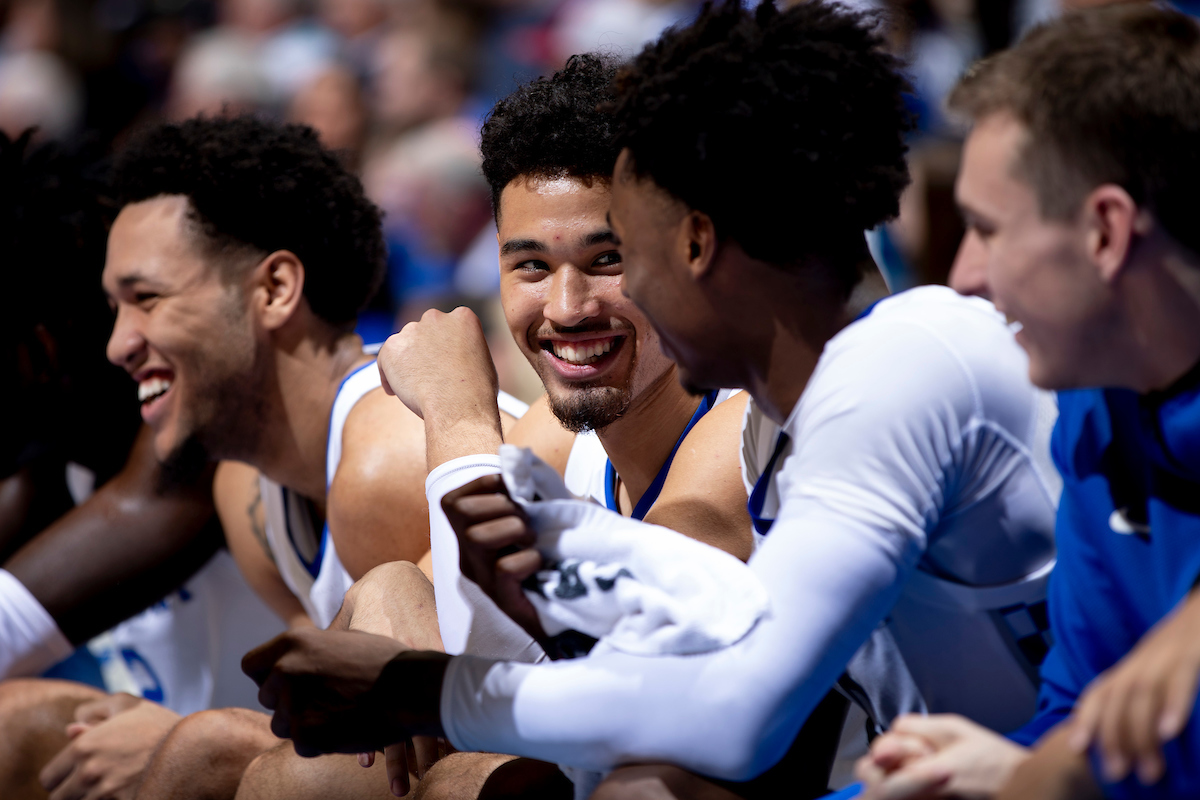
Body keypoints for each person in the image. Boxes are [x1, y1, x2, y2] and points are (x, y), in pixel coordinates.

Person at [243, 3, 1060, 798]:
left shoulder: (889, 372)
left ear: (695, 243)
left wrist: (429, 688)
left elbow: (734, 712)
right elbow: (718, 623)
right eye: (532, 266)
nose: (571, 307)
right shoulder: (814, 403)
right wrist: (429, 581)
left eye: (621, 253)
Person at [0, 114, 441, 800]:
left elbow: (468, 745)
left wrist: (198, 740)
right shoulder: (248, 487)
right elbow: (336, 713)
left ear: (274, 290)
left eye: (146, 299)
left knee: (205, 752)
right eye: (114, 308)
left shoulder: (390, 454)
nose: (118, 344)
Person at [855, 6, 1200, 800]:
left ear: (1106, 232)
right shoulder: (1094, 411)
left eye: (987, 229)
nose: (965, 276)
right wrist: (1001, 771)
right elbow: (1076, 726)